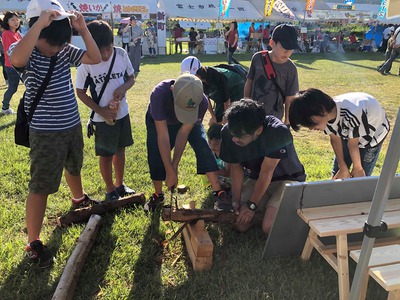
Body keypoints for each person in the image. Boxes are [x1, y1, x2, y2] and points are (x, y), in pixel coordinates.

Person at [10, 0, 101, 268]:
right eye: (54, 43)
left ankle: (78, 199)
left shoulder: (64, 50)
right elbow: (16, 59)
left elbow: (95, 58)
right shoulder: (25, 51)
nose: (58, 49)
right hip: (46, 132)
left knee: (74, 165)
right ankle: (34, 242)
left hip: (71, 124)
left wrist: (83, 30)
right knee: (41, 185)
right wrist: (38, 25)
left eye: (62, 43)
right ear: (36, 32)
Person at [144, 73, 232, 212]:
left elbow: (184, 133)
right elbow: (162, 135)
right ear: (172, 90)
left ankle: (219, 194)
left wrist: (175, 165)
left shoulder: (201, 101)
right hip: (160, 123)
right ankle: (158, 195)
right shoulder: (159, 95)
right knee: (155, 153)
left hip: (188, 122)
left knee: (203, 146)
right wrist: (169, 169)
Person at [220, 99, 306, 234]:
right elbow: (236, 167)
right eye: (233, 134)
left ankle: (271, 211)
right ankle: (268, 209)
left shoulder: (277, 132)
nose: (235, 139)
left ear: (259, 130)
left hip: (288, 179)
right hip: (257, 178)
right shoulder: (228, 131)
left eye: (241, 136)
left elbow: (267, 172)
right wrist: (236, 202)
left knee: (269, 226)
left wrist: (251, 205)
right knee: (239, 223)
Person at [76, 20, 136, 202]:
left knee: (120, 150)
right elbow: (80, 92)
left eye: (108, 48)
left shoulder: (121, 54)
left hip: (122, 113)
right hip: (102, 119)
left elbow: (131, 78)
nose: (105, 54)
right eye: (100, 50)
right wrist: (101, 110)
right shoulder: (86, 62)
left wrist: (123, 87)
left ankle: (120, 184)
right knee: (106, 155)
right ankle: (110, 189)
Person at [289, 88, 390, 179]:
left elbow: (353, 144)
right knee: (340, 170)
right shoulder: (326, 117)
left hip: (372, 135)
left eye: (310, 123)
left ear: (322, 110)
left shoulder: (351, 114)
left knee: (362, 174)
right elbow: (335, 139)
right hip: (349, 133)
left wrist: (358, 168)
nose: (311, 128)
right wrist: (342, 167)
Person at [244, 23, 300, 125]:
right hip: (253, 113)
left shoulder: (291, 69)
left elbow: (290, 98)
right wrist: (245, 103)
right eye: (285, 48)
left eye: (291, 49)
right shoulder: (257, 58)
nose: (288, 53)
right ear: (272, 43)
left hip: (275, 118)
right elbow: (249, 82)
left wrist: (287, 120)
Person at [1, 11, 22, 114]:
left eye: (17, 19)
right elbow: (10, 51)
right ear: (7, 22)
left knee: (31, 86)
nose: (16, 22)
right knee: (12, 88)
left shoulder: (17, 34)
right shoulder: (6, 34)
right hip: (12, 66)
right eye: (12, 20)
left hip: (21, 64)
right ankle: (5, 108)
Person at [0, 18, 8, 85]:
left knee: (5, 66)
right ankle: (7, 80)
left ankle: (7, 80)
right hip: (3, 52)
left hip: (3, 51)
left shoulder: (4, 31)